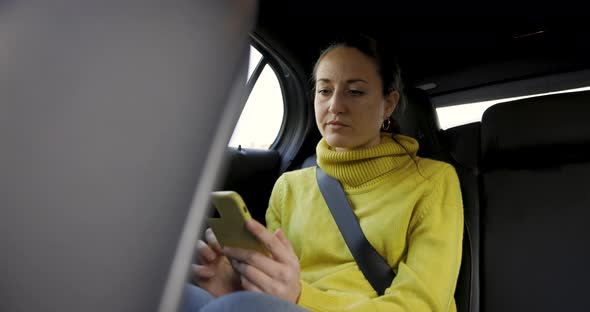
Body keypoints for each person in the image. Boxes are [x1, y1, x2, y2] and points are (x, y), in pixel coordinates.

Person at [182, 33, 464, 312]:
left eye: (355, 91)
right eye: (324, 90)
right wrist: (235, 284)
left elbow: (423, 303)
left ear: (387, 105)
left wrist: (300, 297)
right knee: (185, 296)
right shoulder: (289, 186)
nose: (335, 106)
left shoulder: (433, 180)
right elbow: (277, 285)